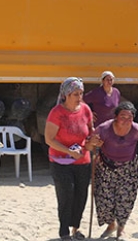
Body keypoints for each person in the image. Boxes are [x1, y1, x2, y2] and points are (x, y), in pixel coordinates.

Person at [45, 77, 99, 241]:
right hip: (61, 161)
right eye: (75, 94)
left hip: (82, 159)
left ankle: (76, 228)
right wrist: (69, 151)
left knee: (81, 195)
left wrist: (92, 141)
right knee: (66, 194)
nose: (79, 97)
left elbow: (90, 130)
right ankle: (64, 231)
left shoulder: (85, 109)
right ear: (66, 95)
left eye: (81, 93)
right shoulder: (57, 113)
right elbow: (49, 139)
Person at [93, 102, 138, 240]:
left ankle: (121, 229)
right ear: (115, 116)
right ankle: (111, 225)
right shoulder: (104, 128)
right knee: (104, 201)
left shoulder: (137, 129)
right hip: (106, 166)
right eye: (123, 117)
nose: (126, 120)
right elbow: (92, 141)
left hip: (128, 167)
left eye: (130, 117)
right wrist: (94, 149)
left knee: (125, 199)